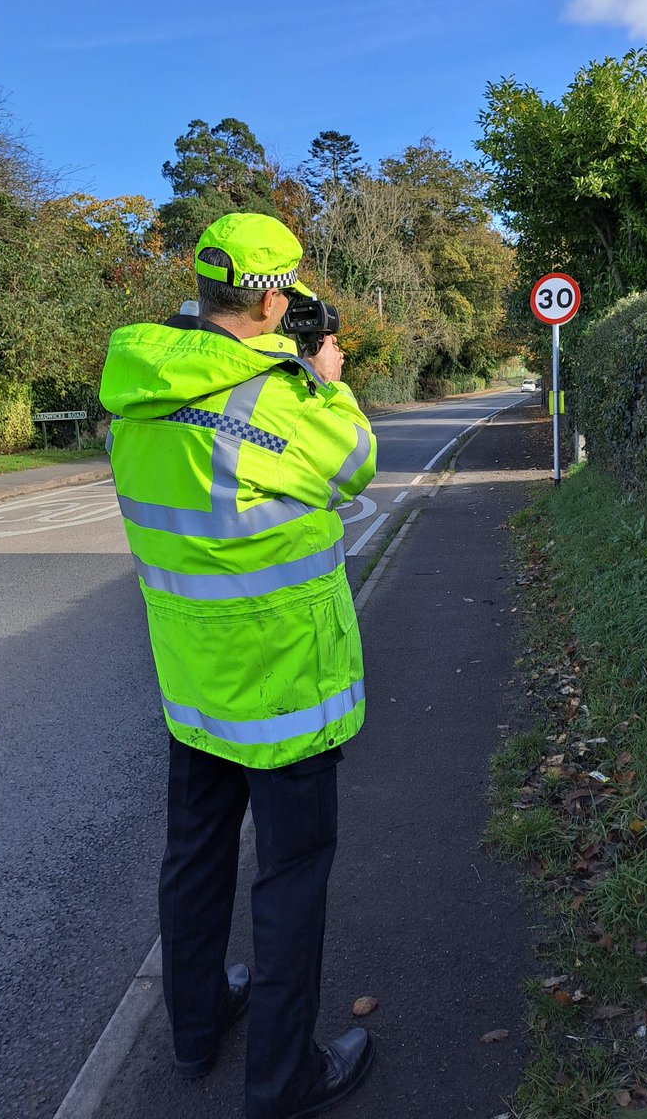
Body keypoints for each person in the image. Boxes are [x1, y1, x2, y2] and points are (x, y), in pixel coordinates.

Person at [99, 212, 377, 1119]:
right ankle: (283, 1080)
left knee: (195, 858)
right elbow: (356, 469)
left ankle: (194, 1027)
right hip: (285, 683)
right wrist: (326, 384)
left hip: (192, 683)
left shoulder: (136, 394)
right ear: (268, 294)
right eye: (287, 292)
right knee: (290, 878)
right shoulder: (282, 398)